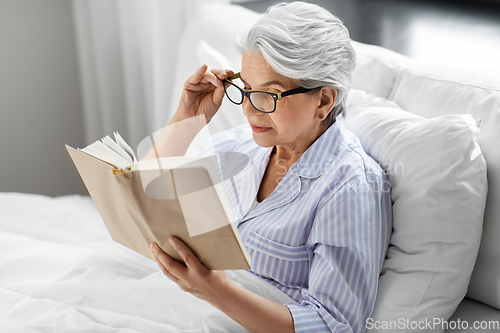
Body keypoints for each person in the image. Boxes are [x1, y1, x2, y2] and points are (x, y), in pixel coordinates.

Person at [146, 2, 392, 332]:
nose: (248, 110)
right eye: (245, 89)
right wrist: (186, 121)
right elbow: (147, 194)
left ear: (323, 101)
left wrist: (217, 292)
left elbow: (334, 325)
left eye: (268, 95)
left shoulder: (349, 187)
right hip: (176, 307)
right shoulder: (241, 145)